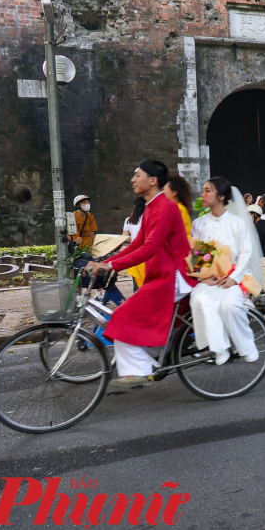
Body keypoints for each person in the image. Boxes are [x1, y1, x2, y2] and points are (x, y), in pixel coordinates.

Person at [83, 160, 194, 388]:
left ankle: (138, 371)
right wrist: (106, 261)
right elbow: (137, 244)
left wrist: (111, 266)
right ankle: (150, 359)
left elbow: (149, 248)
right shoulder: (152, 207)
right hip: (162, 274)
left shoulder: (166, 207)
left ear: (152, 180)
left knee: (123, 316)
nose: (133, 180)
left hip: (173, 276)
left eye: (137, 175)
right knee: (136, 318)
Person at [189, 176, 263, 366]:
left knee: (229, 306)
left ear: (221, 196)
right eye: (203, 190)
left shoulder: (237, 223)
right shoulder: (199, 224)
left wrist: (234, 277)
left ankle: (246, 346)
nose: (202, 194)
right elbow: (196, 253)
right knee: (200, 299)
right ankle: (218, 347)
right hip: (210, 279)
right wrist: (203, 277)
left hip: (233, 277)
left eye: (208, 190)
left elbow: (246, 252)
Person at [121, 197, 146, 287]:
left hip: (134, 252)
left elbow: (125, 237)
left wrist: (133, 238)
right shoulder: (148, 218)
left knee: (136, 280)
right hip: (146, 251)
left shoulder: (129, 220)